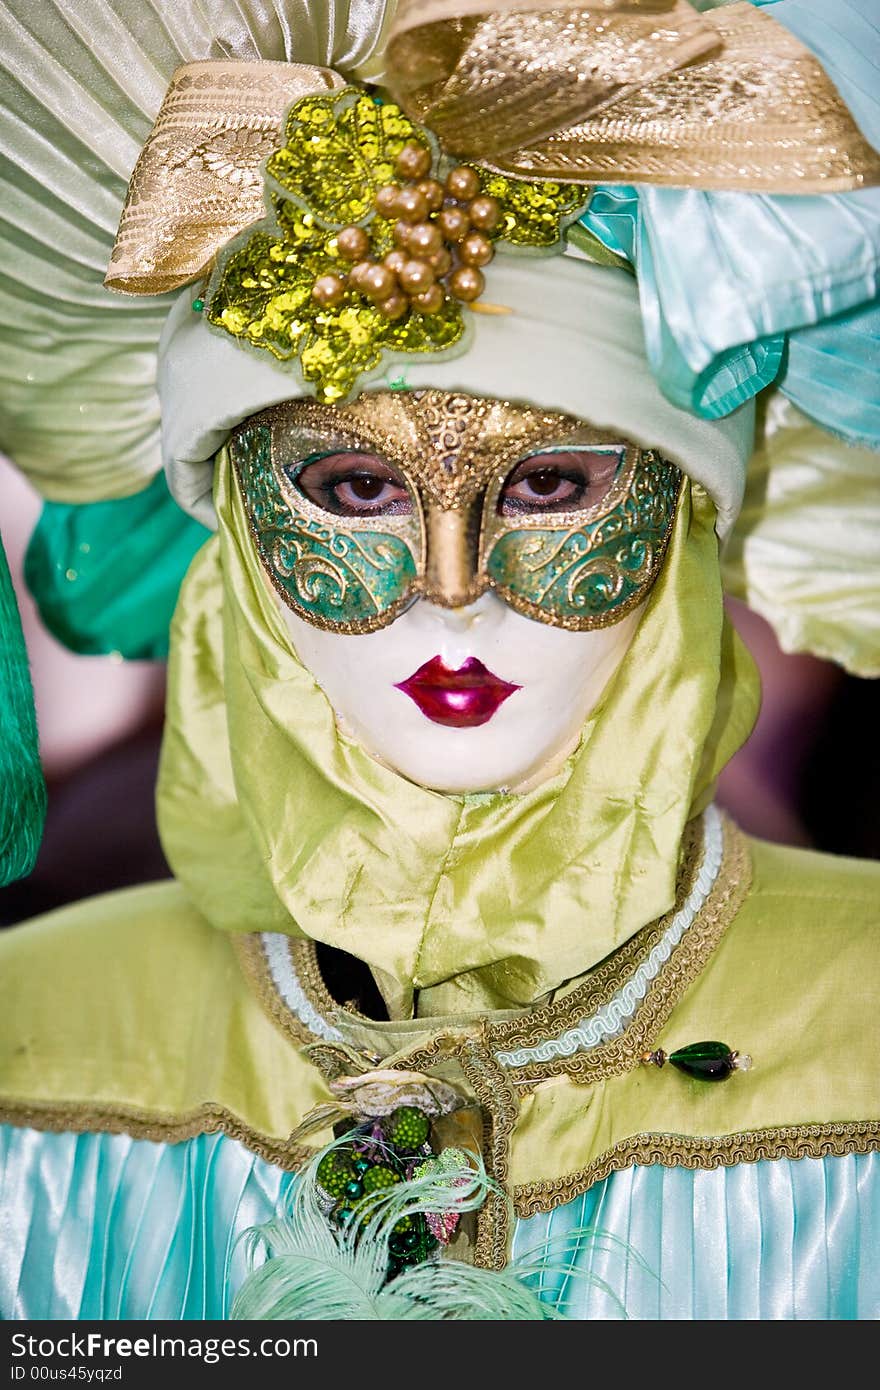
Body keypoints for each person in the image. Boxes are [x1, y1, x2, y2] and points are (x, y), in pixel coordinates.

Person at [0, 0, 878, 1321]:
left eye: (550, 485)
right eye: (353, 487)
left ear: (691, 505)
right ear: (235, 527)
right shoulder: (38, 1035)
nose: (452, 589)